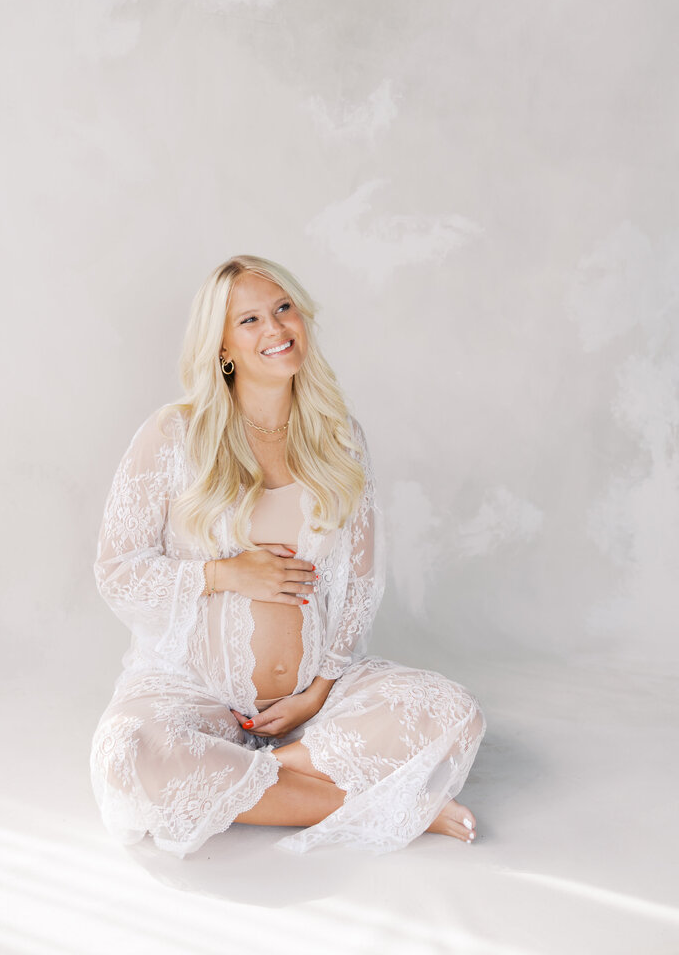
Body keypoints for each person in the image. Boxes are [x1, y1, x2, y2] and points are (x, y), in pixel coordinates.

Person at [90, 255, 485, 856]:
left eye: (283, 309)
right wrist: (224, 573)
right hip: (193, 691)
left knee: (453, 712)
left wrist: (320, 689)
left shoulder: (339, 437)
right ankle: (386, 807)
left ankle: (251, 777)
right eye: (249, 320)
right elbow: (117, 570)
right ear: (222, 346)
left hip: (308, 706)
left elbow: (359, 583)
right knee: (128, 755)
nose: (275, 328)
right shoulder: (173, 435)